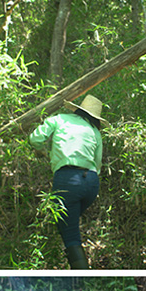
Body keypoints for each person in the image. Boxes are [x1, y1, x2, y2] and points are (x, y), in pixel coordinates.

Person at [29, 94, 109, 269]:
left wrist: (45, 151)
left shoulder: (59, 119)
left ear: (78, 108)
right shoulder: (94, 131)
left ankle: (81, 272)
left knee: (70, 233)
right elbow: (98, 163)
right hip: (91, 183)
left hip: (67, 179)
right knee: (68, 223)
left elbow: (35, 139)